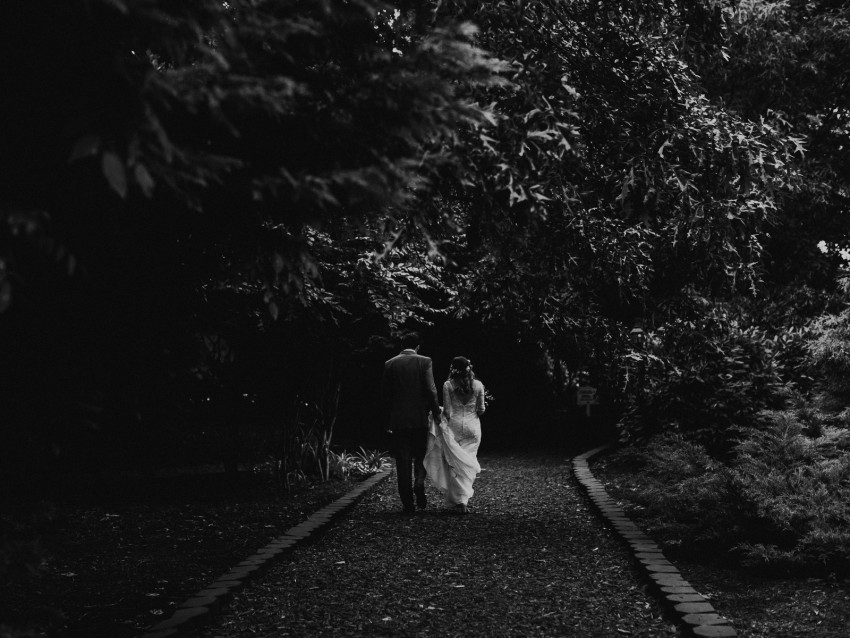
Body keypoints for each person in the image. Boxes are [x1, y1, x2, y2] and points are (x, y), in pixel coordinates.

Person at [381, 332, 441, 514]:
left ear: (402, 345)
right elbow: (431, 390)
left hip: (398, 420)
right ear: (418, 346)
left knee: (402, 460)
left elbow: (385, 395)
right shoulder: (425, 361)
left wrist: (386, 419)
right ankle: (419, 482)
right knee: (420, 454)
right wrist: (436, 412)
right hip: (419, 417)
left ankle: (407, 503)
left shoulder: (390, 364)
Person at [423, 356, 486, 514]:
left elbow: (448, 413)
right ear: (469, 368)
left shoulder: (448, 385)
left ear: (453, 369)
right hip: (473, 429)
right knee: (467, 463)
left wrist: (438, 414)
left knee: (456, 464)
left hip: (455, 428)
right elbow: (481, 410)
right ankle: (461, 500)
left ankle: (460, 501)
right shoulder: (478, 385)